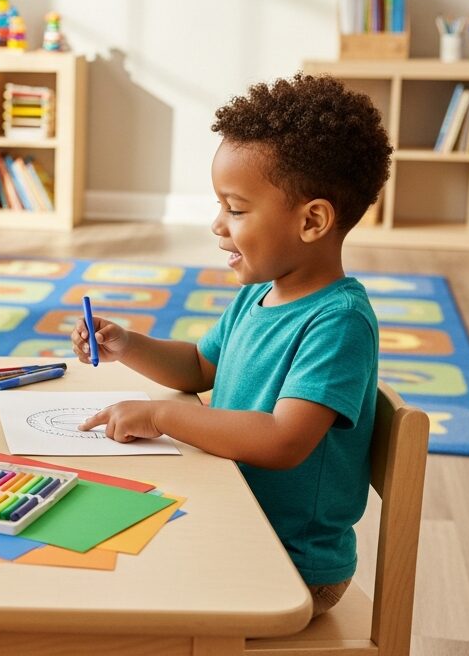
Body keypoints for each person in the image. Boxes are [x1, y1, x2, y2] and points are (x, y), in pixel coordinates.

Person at [73, 73, 392, 618]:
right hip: (236, 520)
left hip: (291, 566)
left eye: (236, 209)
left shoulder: (338, 324)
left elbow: (281, 441)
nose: (217, 226)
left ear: (312, 220)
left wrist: (161, 417)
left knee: (119, 596)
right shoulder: (259, 297)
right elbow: (198, 367)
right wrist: (128, 344)